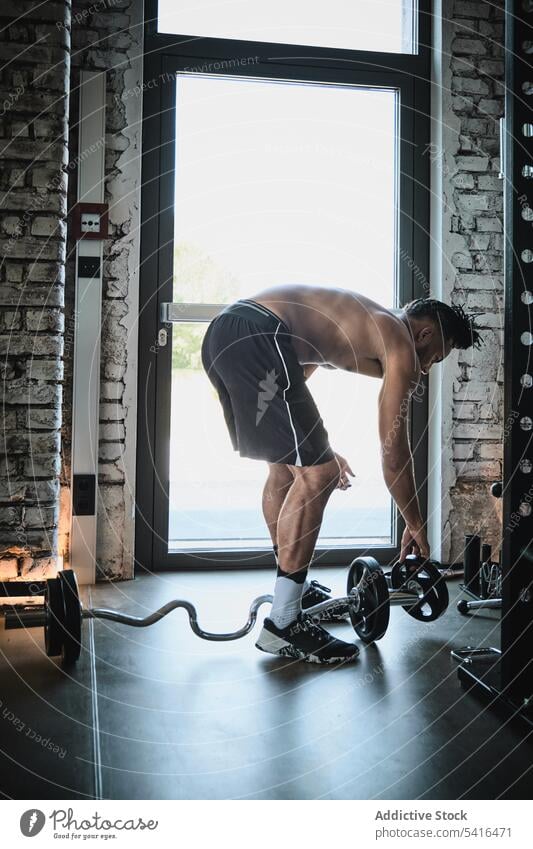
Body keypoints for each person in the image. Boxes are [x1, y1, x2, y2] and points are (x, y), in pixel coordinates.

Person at [201, 285, 481, 664]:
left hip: (224, 334)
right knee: (321, 476)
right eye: (435, 357)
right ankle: (283, 623)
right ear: (425, 334)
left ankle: (292, 590)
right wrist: (415, 522)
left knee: (287, 470)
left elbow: (300, 370)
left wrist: (317, 449)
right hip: (261, 337)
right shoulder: (399, 342)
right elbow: (394, 454)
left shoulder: (361, 318)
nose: (426, 368)